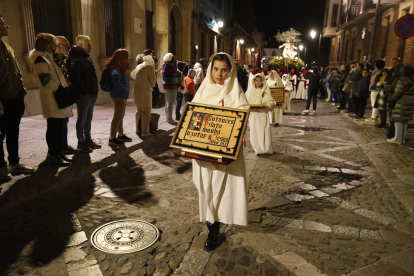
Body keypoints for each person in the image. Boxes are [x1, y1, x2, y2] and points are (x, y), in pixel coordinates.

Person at [192, 53, 250, 252]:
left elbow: (242, 116)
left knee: (220, 188)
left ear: (230, 71)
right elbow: (194, 118)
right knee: (205, 186)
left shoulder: (235, 90)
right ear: (210, 69)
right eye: (216, 69)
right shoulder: (203, 89)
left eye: (224, 69)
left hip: (225, 152)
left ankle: (214, 228)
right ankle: (210, 220)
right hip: (202, 151)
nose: (219, 74)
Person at [29, 33, 73, 166]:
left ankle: (57, 152)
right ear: (47, 44)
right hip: (52, 97)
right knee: (54, 128)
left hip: (56, 96)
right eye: (54, 43)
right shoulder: (40, 59)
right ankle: (54, 155)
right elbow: (45, 81)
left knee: (58, 128)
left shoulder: (49, 57)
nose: (56, 46)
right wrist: (60, 89)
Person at [0, 15, 34, 180]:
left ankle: (14, 163)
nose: (7, 25)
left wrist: (22, 91)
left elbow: (17, 72)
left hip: (15, 98)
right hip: (2, 101)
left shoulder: (8, 48)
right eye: (3, 23)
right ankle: (1, 169)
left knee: (13, 132)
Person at [67, 35, 101, 153]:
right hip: (84, 95)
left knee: (88, 118)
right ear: (81, 45)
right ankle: (81, 142)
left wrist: (94, 90)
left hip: (91, 93)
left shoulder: (86, 57)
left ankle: (88, 139)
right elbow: (76, 78)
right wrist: (84, 93)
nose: (91, 47)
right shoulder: (76, 57)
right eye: (88, 45)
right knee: (82, 118)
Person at [53, 36, 80, 155]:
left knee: (65, 121)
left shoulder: (63, 60)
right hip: (59, 96)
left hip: (65, 95)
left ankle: (63, 145)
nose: (68, 48)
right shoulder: (54, 60)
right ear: (57, 47)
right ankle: (57, 149)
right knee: (57, 124)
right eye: (65, 45)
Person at [105, 49, 131, 146]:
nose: (127, 60)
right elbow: (117, 83)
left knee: (121, 115)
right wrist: (125, 90)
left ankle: (120, 134)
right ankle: (112, 137)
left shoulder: (119, 68)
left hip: (122, 95)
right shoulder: (116, 69)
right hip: (118, 95)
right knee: (117, 116)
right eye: (125, 57)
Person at [246, 73, 275, 154]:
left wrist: (268, 105)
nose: (258, 82)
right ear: (254, 81)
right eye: (256, 81)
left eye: (260, 81)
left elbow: (271, 101)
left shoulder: (266, 90)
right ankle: (256, 147)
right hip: (253, 114)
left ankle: (266, 148)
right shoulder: (250, 90)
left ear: (262, 81)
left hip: (262, 114)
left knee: (264, 130)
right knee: (254, 131)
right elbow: (245, 100)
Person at [387, 64, 414, 144]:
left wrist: (392, 100)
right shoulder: (412, 80)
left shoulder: (402, 81)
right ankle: (402, 138)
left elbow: (398, 93)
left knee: (398, 120)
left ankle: (398, 138)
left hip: (402, 102)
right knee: (404, 121)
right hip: (409, 101)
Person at [131, 55, 156, 137]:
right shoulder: (150, 67)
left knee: (139, 111)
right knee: (146, 111)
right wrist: (150, 84)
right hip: (145, 92)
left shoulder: (139, 66)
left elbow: (132, 75)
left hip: (137, 91)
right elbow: (153, 80)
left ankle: (137, 129)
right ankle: (145, 132)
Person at [384, 63, 404, 139]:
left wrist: (385, 86)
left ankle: (393, 134)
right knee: (392, 118)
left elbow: (393, 89)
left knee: (393, 118)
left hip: (394, 99)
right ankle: (392, 132)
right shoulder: (397, 78)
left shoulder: (398, 79)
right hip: (393, 99)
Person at [162, 53, 182, 125]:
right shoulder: (171, 67)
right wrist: (179, 73)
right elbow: (177, 75)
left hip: (165, 87)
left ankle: (167, 117)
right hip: (172, 87)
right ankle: (169, 119)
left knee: (167, 102)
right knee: (170, 103)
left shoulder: (164, 66)